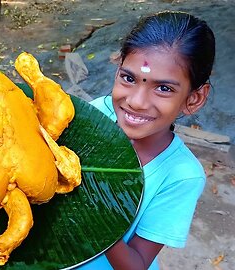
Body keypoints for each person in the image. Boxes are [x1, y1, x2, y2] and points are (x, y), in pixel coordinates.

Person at [79, 11, 215, 269]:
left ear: (194, 98)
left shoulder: (181, 175)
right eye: (128, 78)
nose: (136, 102)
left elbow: (137, 264)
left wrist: (94, 211)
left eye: (164, 88)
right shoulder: (97, 113)